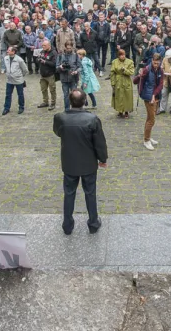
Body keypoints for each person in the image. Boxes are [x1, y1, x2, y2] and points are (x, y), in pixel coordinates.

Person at [52, 89, 107, 235]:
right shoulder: (92, 119)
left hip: (69, 162)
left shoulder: (60, 118)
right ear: (84, 101)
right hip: (88, 163)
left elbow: (58, 132)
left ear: (70, 102)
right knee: (90, 193)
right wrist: (103, 159)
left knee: (69, 193)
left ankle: (67, 225)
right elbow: (99, 143)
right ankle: (93, 223)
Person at [138, 53, 164, 150]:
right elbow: (136, 81)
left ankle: (147, 136)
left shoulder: (160, 70)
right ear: (152, 61)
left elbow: (161, 85)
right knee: (151, 120)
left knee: (149, 118)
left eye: (157, 63)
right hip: (148, 97)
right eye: (154, 63)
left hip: (155, 96)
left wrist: (154, 95)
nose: (155, 65)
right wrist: (139, 75)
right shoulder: (147, 69)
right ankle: (146, 140)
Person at [2, 46, 28, 116]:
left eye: (9, 50)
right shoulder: (6, 58)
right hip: (9, 80)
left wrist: (19, 76)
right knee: (8, 95)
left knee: (20, 94)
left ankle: (21, 107)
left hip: (18, 80)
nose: (7, 51)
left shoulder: (19, 60)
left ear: (13, 52)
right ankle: (6, 108)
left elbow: (25, 70)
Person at [109, 49, 134, 118]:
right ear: (118, 56)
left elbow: (131, 72)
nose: (123, 56)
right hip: (118, 81)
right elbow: (112, 73)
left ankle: (126, 111)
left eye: (124, 55)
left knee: (127, 96)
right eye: (121, 55)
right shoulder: (114, 62)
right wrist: (113, 83)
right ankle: (120, 111)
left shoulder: (130, 62)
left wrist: (125, 70)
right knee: (118, 97)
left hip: (126, 81)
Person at [57, 42, 80, 111]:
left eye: (70, 48)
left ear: (72, 48)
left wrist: (76, 71)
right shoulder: (60, 55)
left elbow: (80, 67)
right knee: (66, 95)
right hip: (64, 78)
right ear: (65, 47)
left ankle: (75, 109)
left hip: (73, 78)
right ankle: (67, 109)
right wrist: (60, 67)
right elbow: (56, 67)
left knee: (74, 95)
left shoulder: (75, 55)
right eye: (67, 48)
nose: (69, 49)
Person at [36, 40, 58, 111]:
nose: (43, 47)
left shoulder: (53, 53)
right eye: (42, 45)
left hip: (50, 75)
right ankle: (45, 102)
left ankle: (53, 103)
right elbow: (37, 60)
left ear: (49, 45)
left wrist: (45, 62)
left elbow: (54, 64)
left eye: (44, 45)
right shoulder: (42, 52)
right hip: (43, 75)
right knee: (43, 89)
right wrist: (38, 59)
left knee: (52, 90)